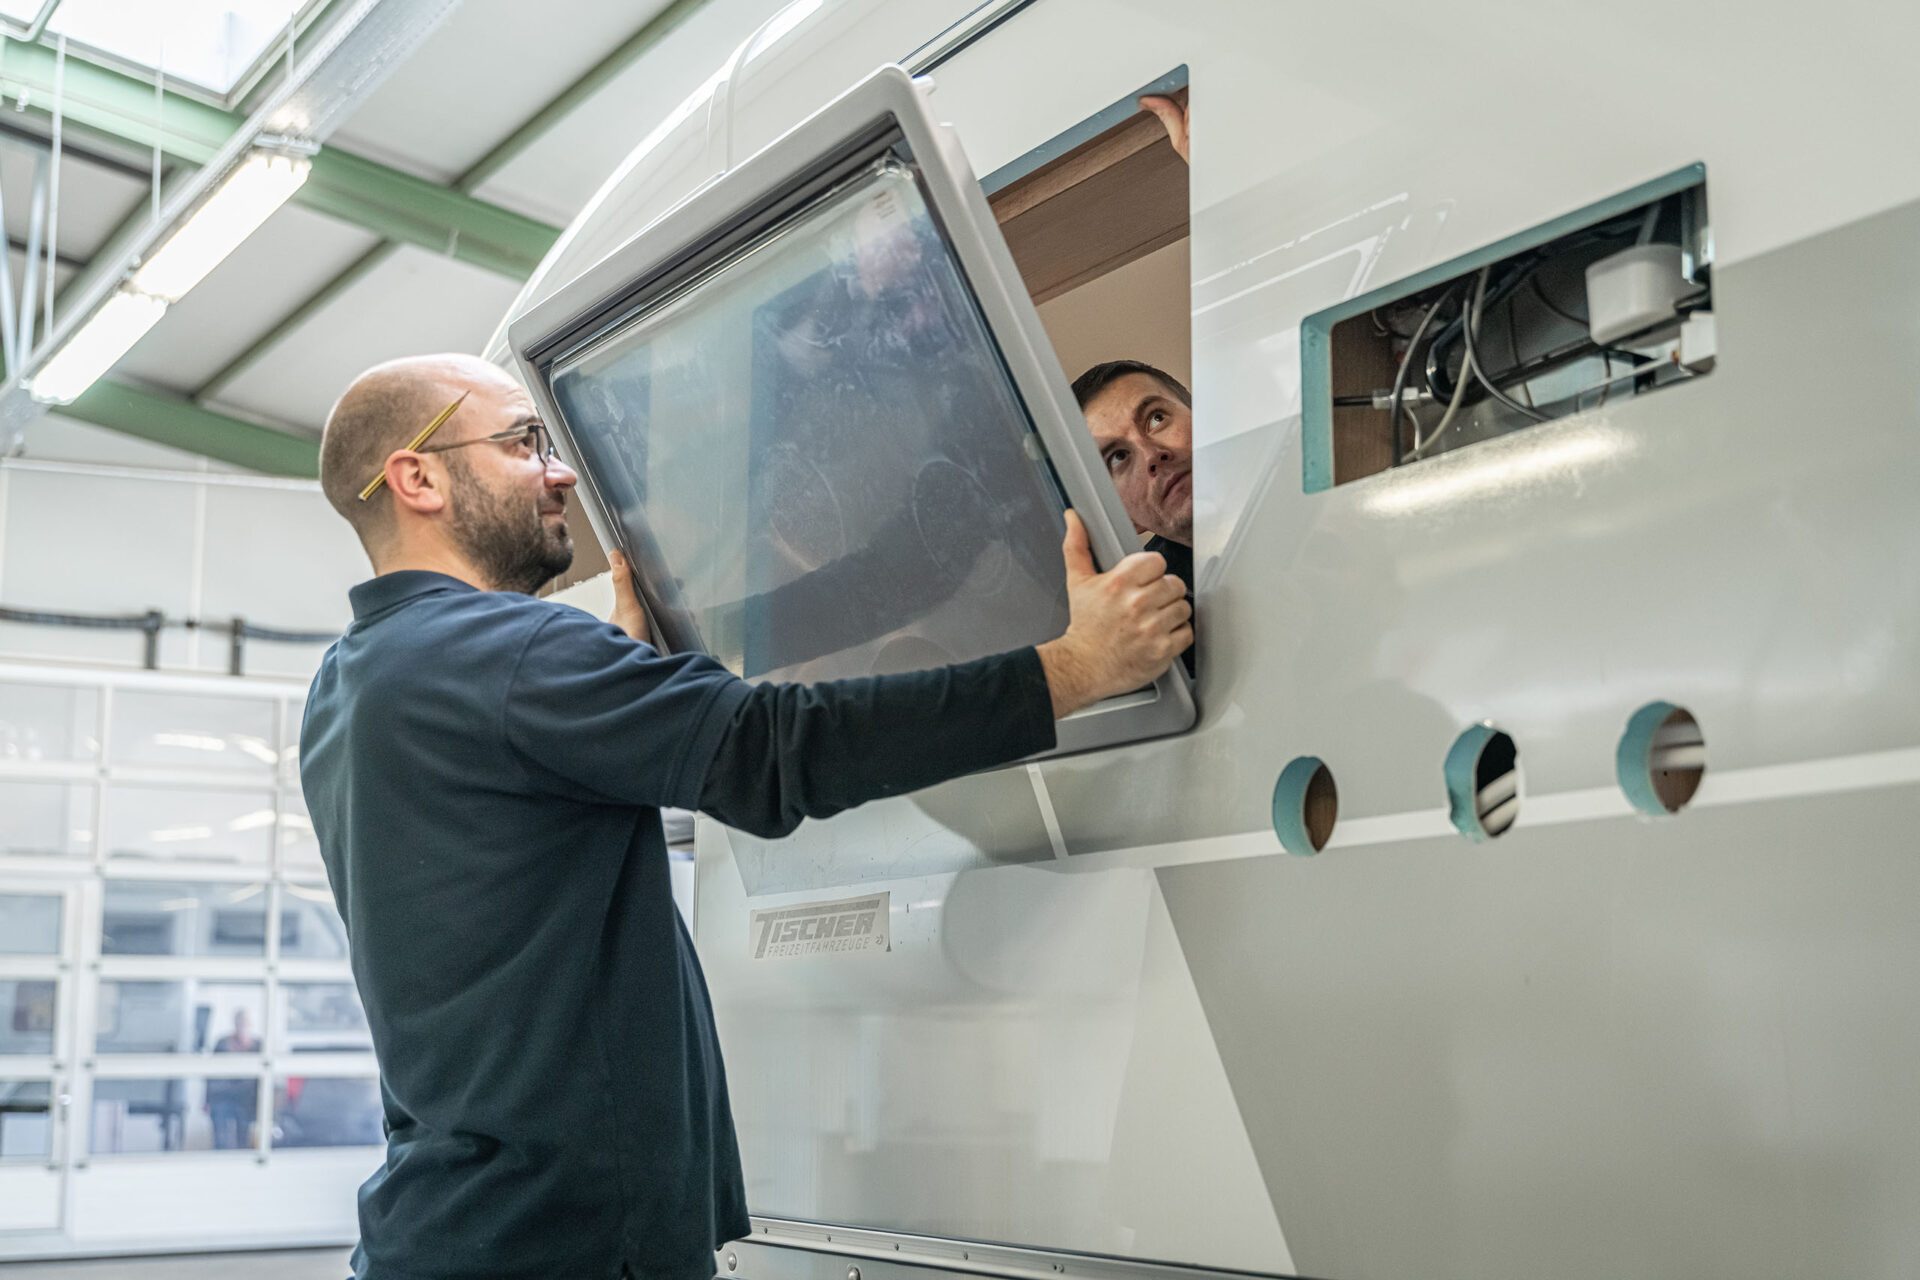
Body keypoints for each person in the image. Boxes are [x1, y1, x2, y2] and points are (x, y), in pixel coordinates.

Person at [300, 353, 1189, 1280]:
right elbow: (773, 750)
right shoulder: (510, 655)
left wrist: (617, 692)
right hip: (562, 1244)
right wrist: (1077, 666)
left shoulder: (351, 682)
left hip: (453, 1231)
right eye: (525, 442)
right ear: (418, 478)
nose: (558, 472)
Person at [1071, 358, 1195, 613]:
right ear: (1127, 519)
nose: (1152, 455)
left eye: (1156, 419)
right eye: (1118, 457)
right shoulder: (1150, 616)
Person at [206, 1009, 260, 1150]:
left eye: (246, 1023)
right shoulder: (222, 1044)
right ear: (235, 1024)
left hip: (246, 1100)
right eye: (240, 1023)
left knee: (244, 1139)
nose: (243, 1026)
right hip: (222, 1097)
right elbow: (211, 1074)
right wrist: (207, 1100)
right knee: (221, 1140)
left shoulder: (258, 1046)